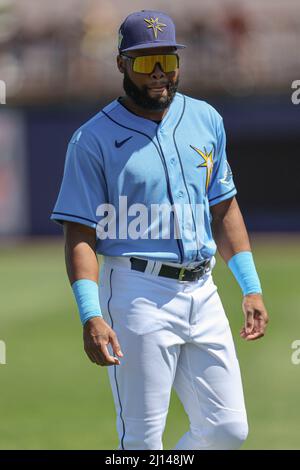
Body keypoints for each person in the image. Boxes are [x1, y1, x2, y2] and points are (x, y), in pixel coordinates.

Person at [51, 10, 269, 450]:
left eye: (167, 61)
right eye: (144, 61)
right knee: (143, 440)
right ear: (121, 64)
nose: (158, 74)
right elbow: (80, 234)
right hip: (136, 292)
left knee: (228, 429)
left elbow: (224, 207)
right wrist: (90, 313)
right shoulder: (91, 139)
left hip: (202, 290)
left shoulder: (205, 118)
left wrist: (250, 285)